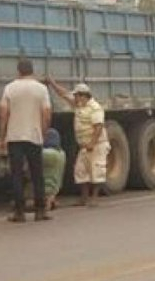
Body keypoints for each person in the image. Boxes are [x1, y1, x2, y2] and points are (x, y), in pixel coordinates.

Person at [0, 59, 52, 223]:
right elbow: (47, 113)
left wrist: (2, 136)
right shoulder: (41, 89)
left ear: (18, 71)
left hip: (14, 137)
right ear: (32, 71)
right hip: (34, 136)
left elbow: (3, 113)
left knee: (17, 175)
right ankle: (40, 211)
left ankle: (19, 212)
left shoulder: (9, 88)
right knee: (37, 174)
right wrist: (42, 133)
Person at [46, 78, 109, 206]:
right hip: (84, 145)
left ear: (83, 95)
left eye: (77, 96)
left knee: (96, 172)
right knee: (81, 172)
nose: (75, 98)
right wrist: (53, 83)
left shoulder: (95, 108)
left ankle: (94, 199)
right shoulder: (79, 105)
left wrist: (92, 143)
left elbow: (98, 127)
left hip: (96, 144)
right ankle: (84, 198)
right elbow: (64, 94)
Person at [42, 128, 66, 211]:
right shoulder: (62, 153)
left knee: (45, 177)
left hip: (44, 153)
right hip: (57, 154)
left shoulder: (42, 152)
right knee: (54, 177)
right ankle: (50, 201)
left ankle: (47, 203)